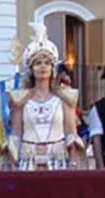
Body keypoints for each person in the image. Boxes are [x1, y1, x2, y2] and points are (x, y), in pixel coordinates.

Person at [8, 23, 84, 171]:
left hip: (58, 161)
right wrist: (12, 162)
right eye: (37, 63)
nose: (42, 67)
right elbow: (16, 135)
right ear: (31, 69)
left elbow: (71, 134)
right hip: (28, 161)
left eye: (47, 63)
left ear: (52, 68)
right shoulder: (20, 100)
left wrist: (74, 161)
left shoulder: (65, 97)